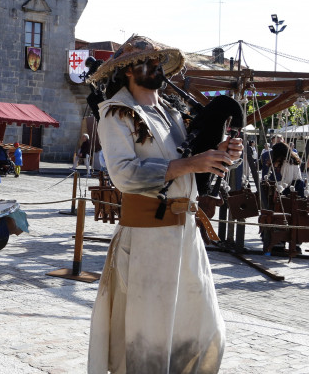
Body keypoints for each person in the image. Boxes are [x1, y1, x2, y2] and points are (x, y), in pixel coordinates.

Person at [86, 35, 242, 373]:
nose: (156, 67)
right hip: (148, 243)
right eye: (148, 62)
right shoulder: (117, 114)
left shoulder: (170, 112)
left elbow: (191, 163)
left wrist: (221, 156)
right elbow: (124, 174)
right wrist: (193, 164)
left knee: (203, 332)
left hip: (187, 237)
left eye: (158, 62)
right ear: (128, 71)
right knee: (149, 342)